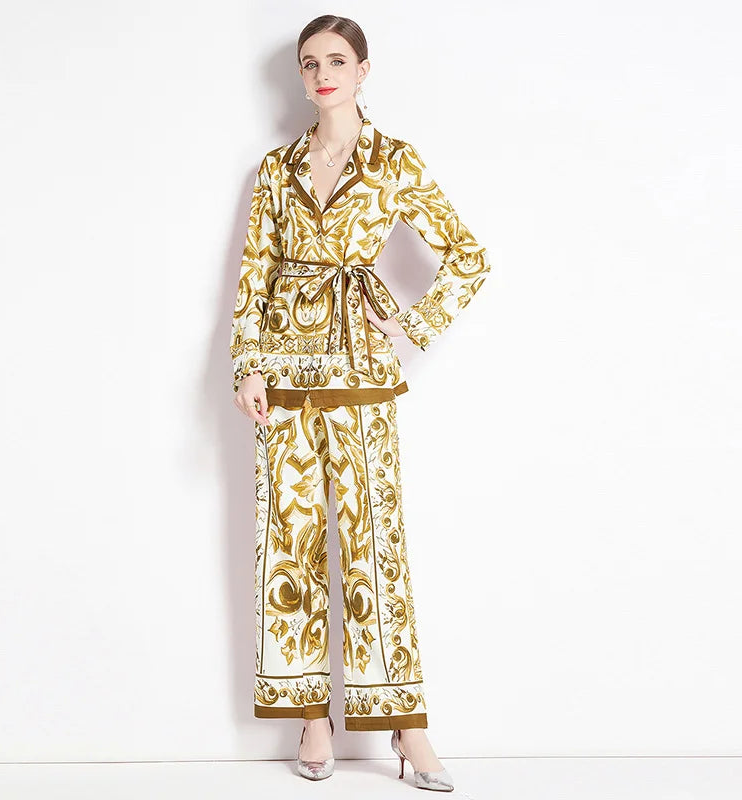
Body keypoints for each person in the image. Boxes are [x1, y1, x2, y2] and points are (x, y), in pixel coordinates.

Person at [229, 14, 491, 791]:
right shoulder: (275, 169)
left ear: (363, 70)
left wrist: (412, 323)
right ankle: (313, 718)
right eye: (310, 63)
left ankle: (408, 726)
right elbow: (255, 271)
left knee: (376, 546)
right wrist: (248, 366)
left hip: (363, 377)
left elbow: (469, 258)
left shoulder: (393, 160)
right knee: (291, 545)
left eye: (336, 61)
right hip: (283, 379)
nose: (322, 74)